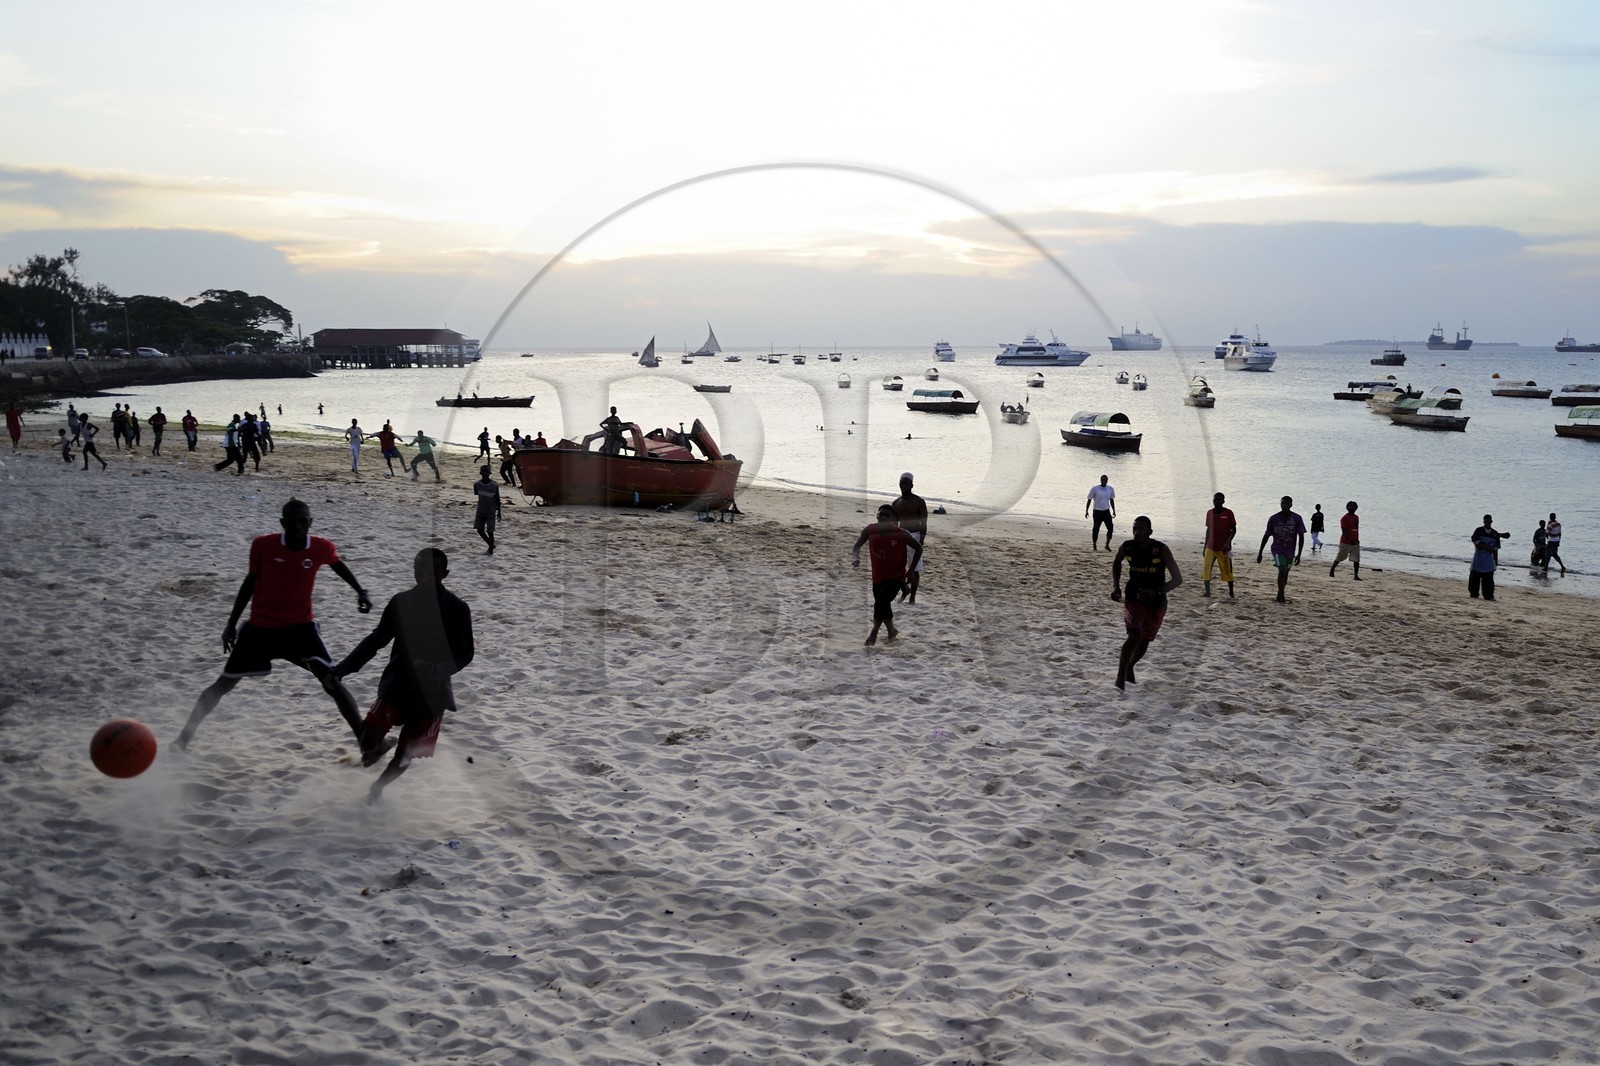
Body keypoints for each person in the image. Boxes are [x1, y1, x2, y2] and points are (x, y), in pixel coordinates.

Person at [175, 498, 374, 754]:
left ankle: (366, 745)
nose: (298, 526)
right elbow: (249, 583)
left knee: (332, 681)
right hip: (260, 630)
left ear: (310, 522)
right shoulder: (263, 546)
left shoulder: (320, 547)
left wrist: (361, 591)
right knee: (223, 684)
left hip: (300, 630)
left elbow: (338, 566)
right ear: (282, 523)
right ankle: (182, 741)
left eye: (303, 521)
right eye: (292, 522)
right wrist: (231, 624)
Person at [326, 548, 474, 803]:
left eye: (433, 572)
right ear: (414, 572)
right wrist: (343, 669)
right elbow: (375, 641)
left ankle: (377, 789)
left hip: (432, 695)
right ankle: (382, 746)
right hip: (398, 685)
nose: (426, 577)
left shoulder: (458, 609)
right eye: (420, 571)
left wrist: (438, 669)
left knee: (405, 756)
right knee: (368, 740)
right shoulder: (401, 602)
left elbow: (465, 654)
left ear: (444, 574)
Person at [1110, 515, 1183, 690]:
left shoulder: (1161, 549)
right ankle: (1120, 678)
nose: (1136, 532)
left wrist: (1156, 592)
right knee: (1134, 635)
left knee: (1144, 640)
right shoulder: (1127, 546)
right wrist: (1116, 587)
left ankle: (1129, 666)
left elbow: (1178, 579)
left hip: (1156, 600)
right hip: (1134, 597)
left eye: (1140, 529)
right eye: (1134, 528)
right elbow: (1116, 563)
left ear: (1149, 532)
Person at [850, 504, 923, 646]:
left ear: (893, 519)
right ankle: (891, 631)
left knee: (881, 603)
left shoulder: (901, 534)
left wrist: (911, 570)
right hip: (877, 576)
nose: (883, 517)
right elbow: (856, 546)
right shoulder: (870, 530)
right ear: (877, 516)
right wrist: (855, 558)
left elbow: (918, 548)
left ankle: (874, 632)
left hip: (896, 577)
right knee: (883, 605)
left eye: (887, 515)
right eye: (880, 514)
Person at [1256, 496, 1306, 604]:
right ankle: (1282, 597)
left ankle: (1279, 594)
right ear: (1280, 504)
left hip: (1290, 551)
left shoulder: (1296, 518)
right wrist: (1260, 553)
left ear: (1291, 505)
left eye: (1287, 504)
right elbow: (1266, 535)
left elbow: (1301, 536)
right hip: (1277, 549)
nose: (1284, 505)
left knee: (1286, 574)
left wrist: (1299, 554)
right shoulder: (1273, 519)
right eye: (1283, 503)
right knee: (1282, 569)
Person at [892, 472, 929, 604]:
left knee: (915, 568)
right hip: (901, 536)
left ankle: (912, 597)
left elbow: (923, 522)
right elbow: (894, 524)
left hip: (914, 536)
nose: (904, 486)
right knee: (898, 568)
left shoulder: (919, 502)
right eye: (902, 484)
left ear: (911, 485)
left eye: (906, 484)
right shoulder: (896, 503)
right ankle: (904, 590)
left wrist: (922, 538)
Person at [1201, 491, 1236, 598]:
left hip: (1223, 548)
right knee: (1207, 569)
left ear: (1223, 501)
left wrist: (1228, 542)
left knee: (1227, 570)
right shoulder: (1209, 513)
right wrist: (1205, 546)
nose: (1217, 502)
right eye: (1215, 500)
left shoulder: (1228, 513)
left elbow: (1233, 529)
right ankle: (1207, 592)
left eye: (1219, 500)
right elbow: (1208, 530)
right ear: (1213, 501)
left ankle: (1231, 592)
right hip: (1210, 547)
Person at [1469, 515, 1507, 600]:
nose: (1487, 523)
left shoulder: (1494, 533)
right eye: (1485, 521)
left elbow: (1496, 549)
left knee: (1488, 578)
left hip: (1489, 559)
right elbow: (1476, 543)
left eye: (1488, 521)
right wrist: (1488, 548)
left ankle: (1488, 595)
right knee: (1475, 577)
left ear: (1491, 522)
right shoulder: (1478, 531)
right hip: (1478, 557)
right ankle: (1474, 593)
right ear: (1483, 522)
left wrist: (1496, 560)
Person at [1328, 501, 1362, 580]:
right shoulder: (1344, 518)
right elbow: (1344, 531)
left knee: (1356, 559)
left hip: (1355, 542)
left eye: (1354, 506)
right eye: (1350, 506)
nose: (1352, 508)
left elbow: (1356, 529)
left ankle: (1356, 575)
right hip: (1345, 542)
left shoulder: (1356, 517)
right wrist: (1350, 539)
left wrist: (1356, 539)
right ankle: (1332, 569)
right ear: (1347, 507)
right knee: (1340, 557)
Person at [473, 465, 503, 554]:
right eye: (483, 471)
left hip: (491, 511)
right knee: (479, 530)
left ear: (490, 473)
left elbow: (497, 499)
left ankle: (490, 549)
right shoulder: (477, 485)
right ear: (480, 473)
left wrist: (499, 512)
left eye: (487, 471)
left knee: (490, 531)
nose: (485, 473)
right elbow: (477, 495)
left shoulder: (494, 485)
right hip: (480, 510)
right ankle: (491, 544)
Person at [1085, 475, 1117, 551]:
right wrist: (1086, 511)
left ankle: (1107, 545)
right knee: (1096, 529)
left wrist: (1114, 510)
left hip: (1106, 511)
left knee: (1110, 527)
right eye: (1102, 480)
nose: (1104, 481)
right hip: (1097, 511)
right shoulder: (1095, 489)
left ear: (1107, 480)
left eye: (1105, 480)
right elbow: (1089, 499)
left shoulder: (1110, 489)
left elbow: (1111, 500)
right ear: (1100, 480)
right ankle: (1094, 545)